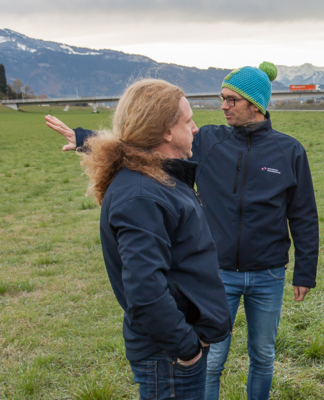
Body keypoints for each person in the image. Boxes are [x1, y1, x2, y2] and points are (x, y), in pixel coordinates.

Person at [46, 62, 319, 400]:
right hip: (219, 275)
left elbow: (303, 214)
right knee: (213, 358)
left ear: (256, 104)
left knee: (263, 355)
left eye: (232, 100)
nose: (222, 106)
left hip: (268, 272)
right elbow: (141, 138)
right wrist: (86, 139)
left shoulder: (288, 150)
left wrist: (305, 270)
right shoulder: (207, 142)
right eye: (222, 98)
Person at [80, 79, 232, 399]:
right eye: (187, 120)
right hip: (169, 356)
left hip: (174, 349)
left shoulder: (156, 181)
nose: (195, 127)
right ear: (166, 131)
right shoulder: (142, 195)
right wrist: (186, 348)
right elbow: (145, 290)